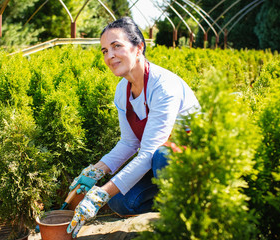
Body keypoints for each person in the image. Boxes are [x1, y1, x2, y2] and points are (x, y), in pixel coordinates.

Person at [67, 17, 200, 238]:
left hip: (193, 162)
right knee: (120, 202)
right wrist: (95, 171)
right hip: (162, 166)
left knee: (162, 156)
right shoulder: (122, 90)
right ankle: (169, 200)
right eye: (104, 51)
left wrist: (99, 194)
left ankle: (185, 214)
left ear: (139, 48)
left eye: (116, 46)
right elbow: (129, 143)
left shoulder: (163, 86)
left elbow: (149, 152)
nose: (109, 56)